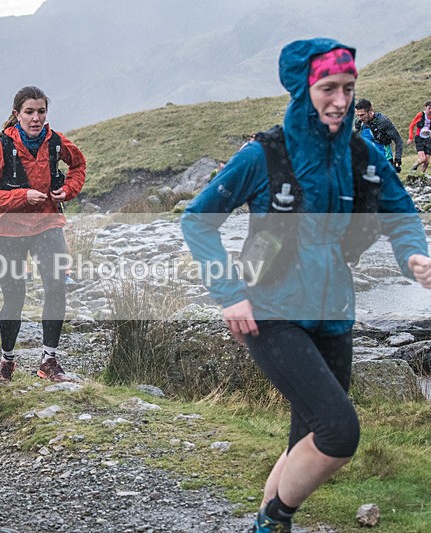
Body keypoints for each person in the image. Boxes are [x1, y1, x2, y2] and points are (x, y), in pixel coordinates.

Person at [181, 38, 431, 532]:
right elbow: (197, 222)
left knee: (307, 436)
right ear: (303, 88)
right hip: (270, 311)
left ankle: (267, 527)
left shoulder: (362, 153)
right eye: (328, 87)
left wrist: (414, 255)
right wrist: (229, 294)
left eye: (349, 87)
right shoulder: (263, 155)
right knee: (338, 433)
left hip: (335, 312)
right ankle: (273, 520)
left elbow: (401, 212)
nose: (340, 100)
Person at [0, 86, 86, 383]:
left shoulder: (56, 143)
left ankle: (49, 361)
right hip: (8, 231)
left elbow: (78, 165)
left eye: (41, 112)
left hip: (48, 224)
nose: (36, 118)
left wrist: (69, 190)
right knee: (14, 297)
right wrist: (21, 196)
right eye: (29, 112)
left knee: (57, 287)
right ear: (16, 114)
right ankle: (7, 362)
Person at [353, 98, 403, 172]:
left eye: (362, 115)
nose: (360, 118)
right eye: (358, 115)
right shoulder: (358, 122)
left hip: (384, 159)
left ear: (370, 111)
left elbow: (398, 140)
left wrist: (397, 159)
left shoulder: (382, 121)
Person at [407, 100, 431, 174]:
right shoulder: (420, 115)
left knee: (427, 162)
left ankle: (421, 175)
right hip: (419, 138)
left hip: (428, 139)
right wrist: (410, 137)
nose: (430, 110)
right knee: (422, 159)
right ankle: (413, 167)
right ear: (425, 108)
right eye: (429, 108)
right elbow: (411, 126)